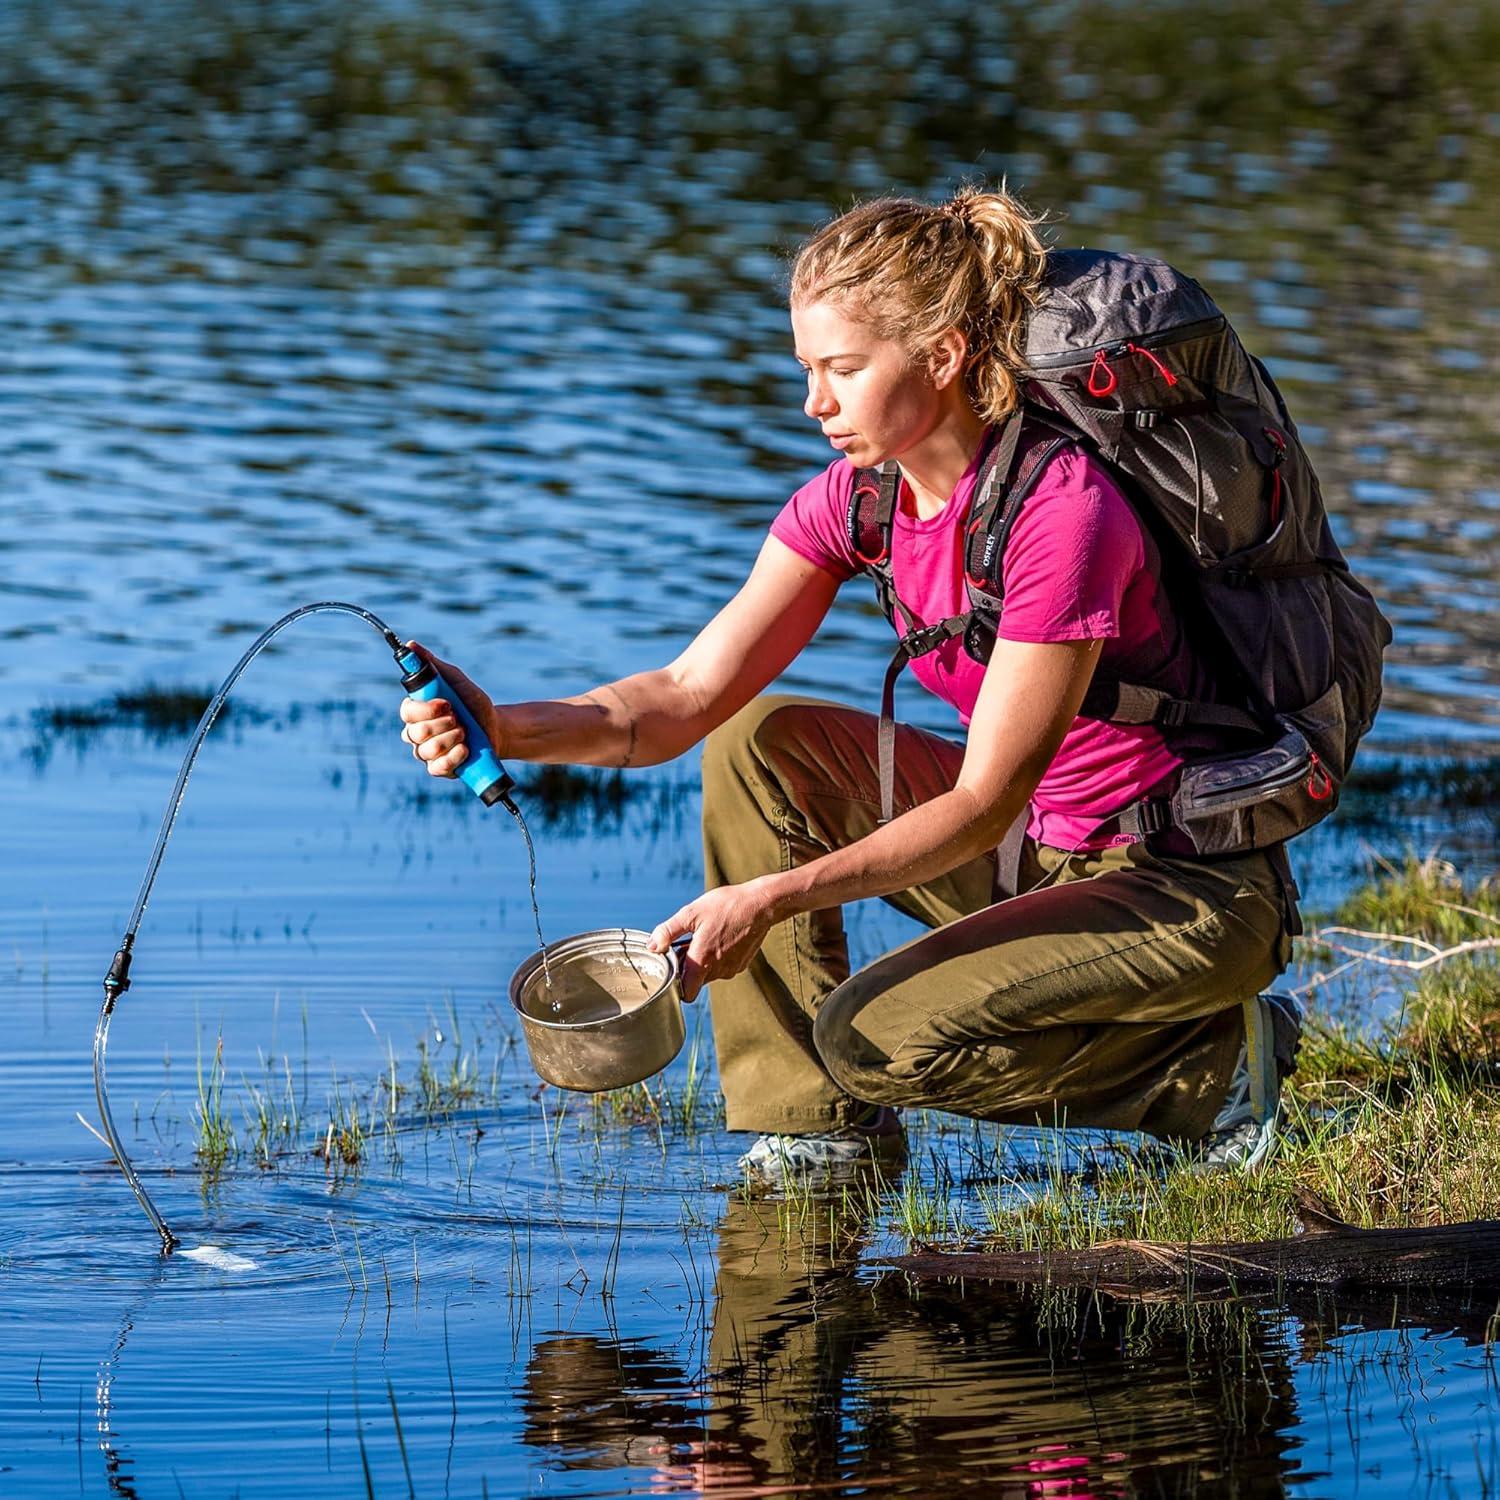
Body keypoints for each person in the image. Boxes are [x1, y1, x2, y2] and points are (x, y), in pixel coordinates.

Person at [398, 186, 1302, 1183]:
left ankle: (1217, 1066)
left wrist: (772, 899)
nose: (814, 404)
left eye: (842, 371)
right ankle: (815, 1128)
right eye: (807, 370)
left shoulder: (1064, 515)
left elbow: (977, 803)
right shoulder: (858, 500)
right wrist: (503, 725)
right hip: (1033, 854)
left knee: (878, 1037)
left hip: (1182, 884)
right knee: (757, 743)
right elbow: (685, 694)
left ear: (945, 357)